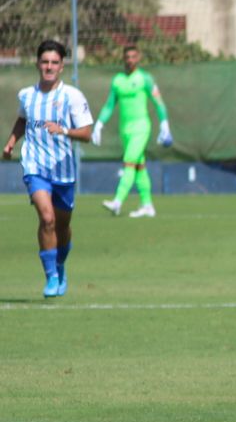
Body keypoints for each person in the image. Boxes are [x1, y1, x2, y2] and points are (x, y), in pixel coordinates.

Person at [3, 40, 95, 298]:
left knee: (62, 227)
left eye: (54, 62)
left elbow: (86, 134)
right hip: (34, 166)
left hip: (63, 171)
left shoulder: (72, 96)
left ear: (62, 66)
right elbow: (23, 119)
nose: (49, 66)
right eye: (45, 61)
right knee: (47, 218)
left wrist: (63, 130)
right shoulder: (27, 95)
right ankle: (51, 277)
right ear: (37, 64)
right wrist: (11, 143)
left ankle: (60, 266)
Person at [94, 43, 172, 217]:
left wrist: (164, 124)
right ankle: (147, 205)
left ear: (138, 58)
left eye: (133, 57)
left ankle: (117, 201)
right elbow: (109, 105)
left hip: (141, 127)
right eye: (127, 57)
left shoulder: (145, 78)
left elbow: (158, 103)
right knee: (139, 166)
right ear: (123, 58)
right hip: (125, 130)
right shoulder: (118, 80)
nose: (130, 60)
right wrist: (99, 124)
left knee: (129, 161)